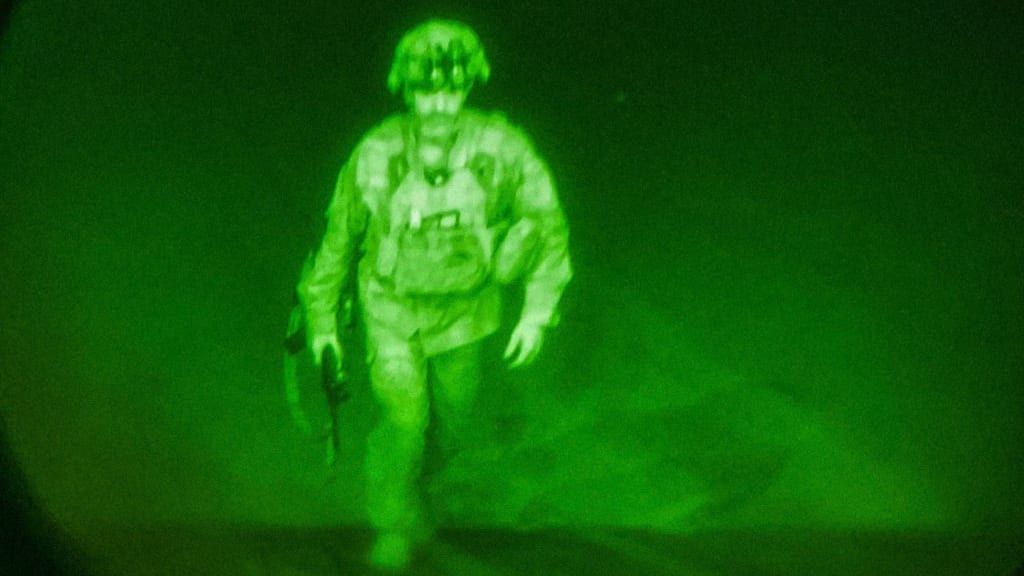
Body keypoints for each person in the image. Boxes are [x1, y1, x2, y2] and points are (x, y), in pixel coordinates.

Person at [296, 18, 572, 570]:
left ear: (469, 85)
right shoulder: (376, 153)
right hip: (391, 309)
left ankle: (415, 487)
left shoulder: (504, 148)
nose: (440, 103)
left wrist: (537, 312)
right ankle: (393, 523)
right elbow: (339, 239)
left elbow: (546, 226)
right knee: (404, 420)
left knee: (451, 426)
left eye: (451, 88)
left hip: (467, 315)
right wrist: (322, 322)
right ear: (406, 88)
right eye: (426, 90)